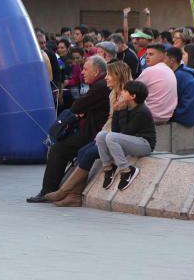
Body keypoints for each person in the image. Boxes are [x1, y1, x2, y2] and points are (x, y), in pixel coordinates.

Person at [44, 60, 132, 207]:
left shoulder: (126, 94)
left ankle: (64, 190)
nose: (106, 78)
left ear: (117, 76)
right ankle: (73, 195)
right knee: (83, 151)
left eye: (109, 75)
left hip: (122, 137)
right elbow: (110, 120)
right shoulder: (112, 94)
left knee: (84, 152)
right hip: (107, 134)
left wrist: (103, 136)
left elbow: (126, 124)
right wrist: (101, 136)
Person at [26, 55, 110, 202]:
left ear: (96, 71)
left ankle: (48, 191)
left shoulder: (100, 86)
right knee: (61, 144)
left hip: (93, 134)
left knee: (59, 149)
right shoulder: (99, 85)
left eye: (85, 69)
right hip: (91, 131)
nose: (82, 72)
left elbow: (77, 106)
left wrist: (80, 108)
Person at [95, 80, 156, 192]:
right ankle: (109, 168)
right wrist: (117, 111)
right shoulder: (127, 107)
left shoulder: (142, 111)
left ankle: (127, 170)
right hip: (132, 140)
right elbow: (115, 131)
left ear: (133, 96)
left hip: (144, 144)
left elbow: (125, 132)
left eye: (125, 91)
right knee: (101, 136)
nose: (122, 93)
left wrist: (121, 111)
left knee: (111, 137)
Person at [136, 44, 178, 124]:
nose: (147, 57)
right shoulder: (169, 70)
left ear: (161, 56)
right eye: (146, 54)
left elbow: (131, 89)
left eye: (151, 54)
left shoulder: (150, 70)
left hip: (152, 116)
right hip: (166, 116)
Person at [165, 46, 194, 127]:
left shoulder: (178, 75)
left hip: (184, 116)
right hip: (193, 116)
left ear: (172, 61)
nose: (162, 63)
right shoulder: (185, 73)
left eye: (164, 59)